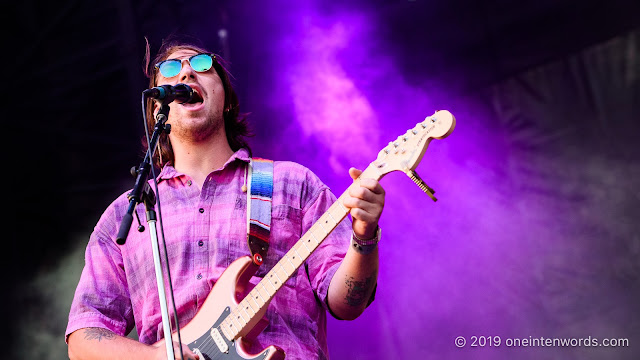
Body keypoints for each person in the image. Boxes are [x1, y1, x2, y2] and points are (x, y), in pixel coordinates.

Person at [66, 37, 385, 360]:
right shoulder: (129, 213)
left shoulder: (291, 184)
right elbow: (84, 337)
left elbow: (348, 302)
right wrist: (154, 357)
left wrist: (364, 235)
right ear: (156, 109)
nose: (187, 74)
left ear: (226, 99)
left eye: (203, 65)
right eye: (172, 69)